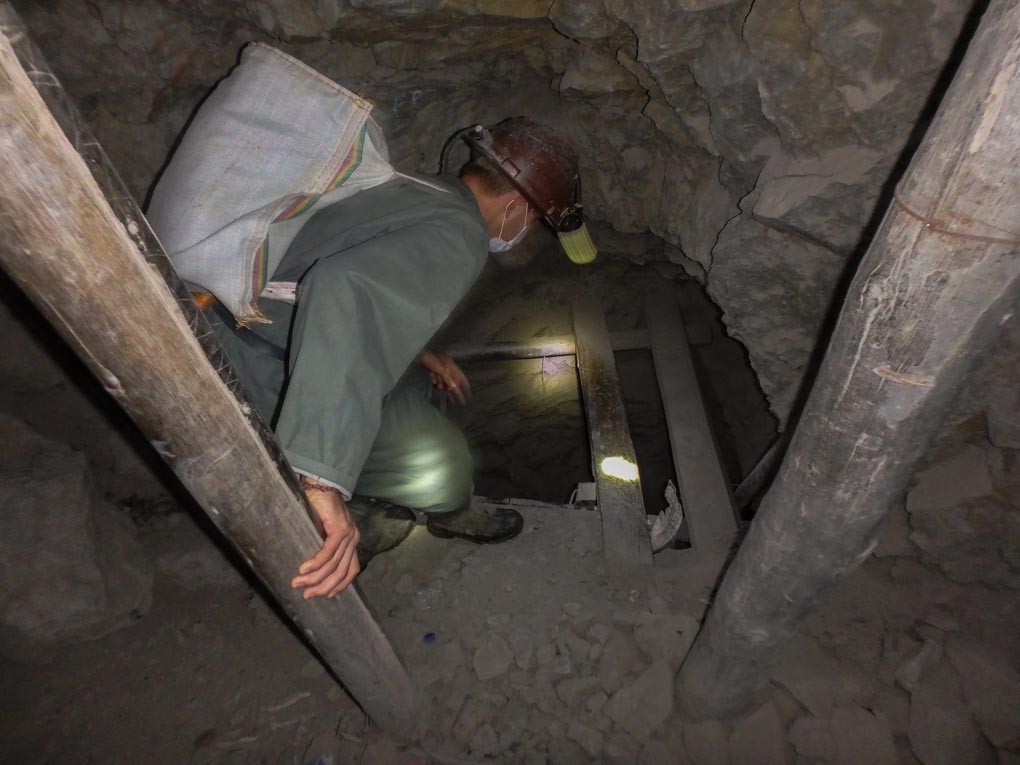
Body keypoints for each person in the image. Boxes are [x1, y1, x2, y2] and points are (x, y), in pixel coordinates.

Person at [208, 117, 595, 599]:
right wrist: (319, 477)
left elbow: (342, 275)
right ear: (517, 206)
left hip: (243, 329)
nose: (526, 231)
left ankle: (381, 499)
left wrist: (425, 353)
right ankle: (443, 512)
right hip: (274, 369)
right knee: (441, 459)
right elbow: (342, 289)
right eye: (535, 221)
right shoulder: (461, 233)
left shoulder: (409, 188)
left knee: (412, 389)